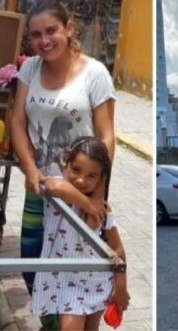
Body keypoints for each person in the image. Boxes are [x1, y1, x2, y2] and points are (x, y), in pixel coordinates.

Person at [10, 0, 115, 326]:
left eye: (51, 30)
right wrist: (29, 170)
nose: (44, 40)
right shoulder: (30, 69)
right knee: (32, 264)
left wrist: (96, 196)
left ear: (69, 28)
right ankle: (50, 324)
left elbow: (107, 136)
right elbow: (16, 121)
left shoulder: (95, 73)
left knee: (76, 273)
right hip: (40, 189)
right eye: (36, 34)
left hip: (79, 191)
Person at [30, 136, 129, 331]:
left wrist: (121, 288)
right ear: (66, 165)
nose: (81, 180)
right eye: (76, 170)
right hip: (65, 282)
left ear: (101, 180)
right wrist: (88, 204)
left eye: (92, 176)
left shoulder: (103, 211)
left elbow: (118, 249)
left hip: (96, 281)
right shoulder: (59, 196)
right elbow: (54, 186)